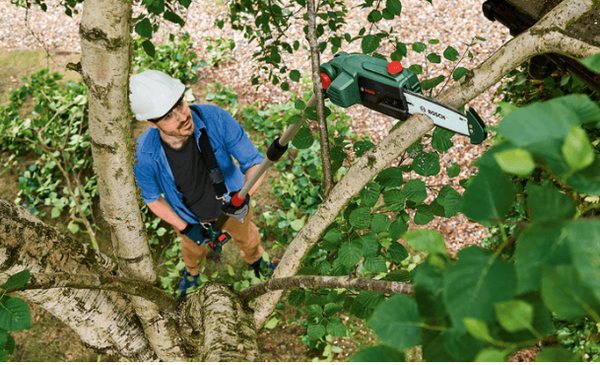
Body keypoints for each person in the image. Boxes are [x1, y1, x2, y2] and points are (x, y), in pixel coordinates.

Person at [129, 70, 273, 298]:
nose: (182, 116)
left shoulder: (216, 119)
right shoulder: (143, 154)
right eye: (168, 116)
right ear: (152, 123)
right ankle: (194, 273)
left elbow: (254, 163)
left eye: (180, 105)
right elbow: (152, 198)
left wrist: (244, 196)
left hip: (233, 205)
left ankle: (256, 260)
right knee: (192, 250)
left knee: (247, 237)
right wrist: (186, 227)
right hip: (188, 217)